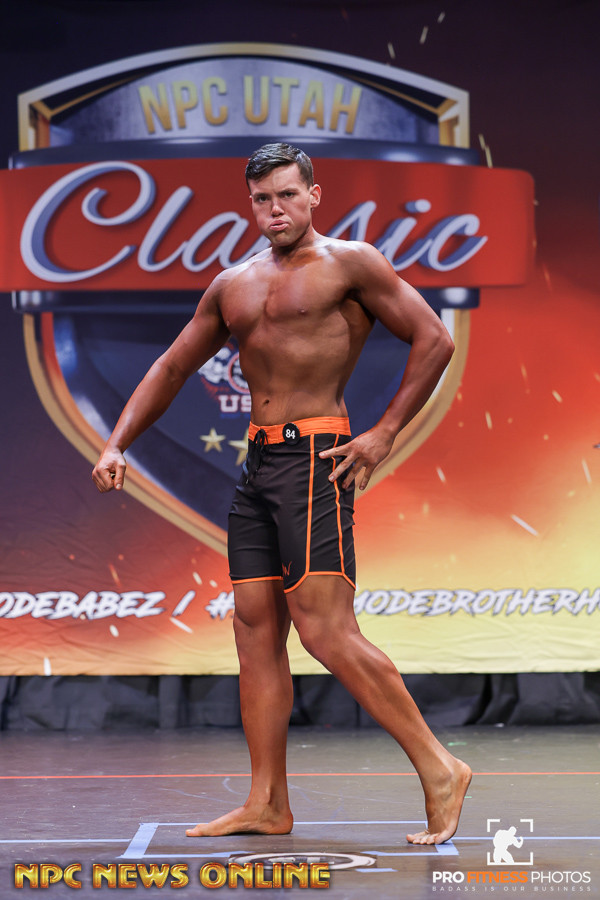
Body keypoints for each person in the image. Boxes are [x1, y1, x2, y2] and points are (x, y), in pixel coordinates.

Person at [92, 142, 471, 845]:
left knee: (325, 629)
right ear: (251, 203)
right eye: (263, 199)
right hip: (259, 465)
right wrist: (117, 442)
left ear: (314, 195)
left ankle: (441, 767)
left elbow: (434, 339)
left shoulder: (351, 263)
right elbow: (172, 367)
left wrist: (384, 433)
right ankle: (267, 803)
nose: (276, 210)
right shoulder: (232, 283)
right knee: (254, 629)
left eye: (288, 195)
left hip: (315, 461)